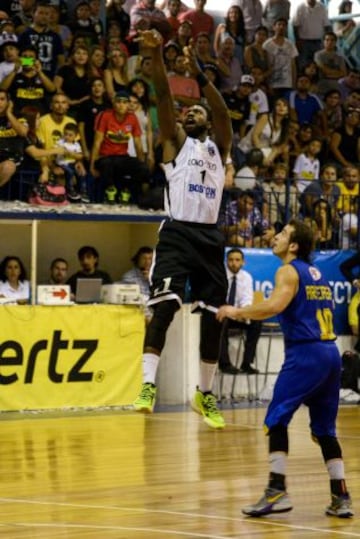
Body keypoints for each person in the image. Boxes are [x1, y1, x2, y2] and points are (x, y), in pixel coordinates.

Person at [217, 219, 353, 518]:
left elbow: (274, 306)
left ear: (293, 246)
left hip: (305, 355)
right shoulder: (317, 274)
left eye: (282, 234)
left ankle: (276, 490)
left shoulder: (287, 270)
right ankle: (340, 495)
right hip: (330, 353)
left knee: (276, 419)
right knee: (324, 430)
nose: (275, 237)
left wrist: (236, 311)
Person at [132, 28, 233, 429]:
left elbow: (223, 113)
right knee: (165, 307)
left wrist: (201, 76)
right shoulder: (176, 142)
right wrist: (155, 56)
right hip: (176, 233)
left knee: (215, 318)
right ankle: (147, 386)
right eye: (188, 110)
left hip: (209, 238)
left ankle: (204, 395)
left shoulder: (217, 146)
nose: (191, 112)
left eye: (197, 111)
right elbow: (161, 96)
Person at [219, 248, 262, 374]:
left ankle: (247, 363)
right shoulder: (221, 276)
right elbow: (219, 299)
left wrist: (243, 312)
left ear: (243, 262)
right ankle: (225, 364)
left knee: (256, 321)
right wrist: (230, 312)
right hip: (223, 313)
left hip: (238, 314)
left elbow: (247, 299)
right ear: (226, 261)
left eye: (237, 260)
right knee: (222, 322)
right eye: (231, 260)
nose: (234, 263)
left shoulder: (247, 277)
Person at [120, 245, 153, 324]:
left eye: (150, 259)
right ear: (137, 260)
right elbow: (132, 300)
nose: (147, 262)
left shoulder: (157, 276)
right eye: (144, 258)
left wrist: (151, 280)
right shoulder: (128, 277)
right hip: (137, 315)